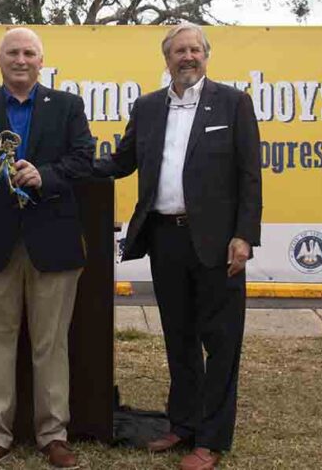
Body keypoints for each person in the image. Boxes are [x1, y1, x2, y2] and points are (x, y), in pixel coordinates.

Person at [94, 23, 262, 470]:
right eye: (178, 51)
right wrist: (67, 166)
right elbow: (120, 160)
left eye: (195, 50)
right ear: (165, 58)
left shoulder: (233, 102)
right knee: (179, 338)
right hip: (165, 238)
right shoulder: (148, 107)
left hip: (218, 243)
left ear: (206, 55)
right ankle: (182, 425)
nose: (187, 57)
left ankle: (211, 439)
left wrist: (244, 236)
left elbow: (249, 176)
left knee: (221, 343)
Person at [0, 27, 94, 469]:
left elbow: (83, 160)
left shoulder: (67, 106)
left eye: (29, 53)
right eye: (13, 53)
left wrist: (44, 175)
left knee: (51, 344)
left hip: (53, 242)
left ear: (41, 61)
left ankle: (53, 435)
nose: (21, 60)